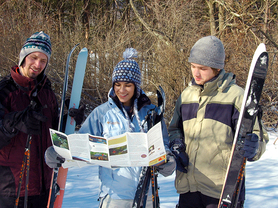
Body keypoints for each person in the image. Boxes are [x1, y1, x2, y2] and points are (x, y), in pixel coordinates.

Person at [45, 48, 176, 208]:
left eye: (127, 85)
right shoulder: (102, 113)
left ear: (136, 86)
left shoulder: (151, 113)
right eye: (117, 85)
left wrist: (168, 161)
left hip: (147, 195)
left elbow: (164, 146)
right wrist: (57, 151)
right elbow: (80, 144)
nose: (122, 90)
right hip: (113, 196)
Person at [168, 36, 269, 208]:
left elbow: (259, 135)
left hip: (221, 192)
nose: (196, 73)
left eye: (202, 68)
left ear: (216, 68)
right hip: (188, 188)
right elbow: (174, 129)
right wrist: (177, 144)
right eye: (193, 66)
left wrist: (254, 147)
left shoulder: (235, 96)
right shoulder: (186, 96)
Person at [0, 31, 83, 208]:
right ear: (23, 57)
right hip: (10, 189)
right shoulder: (4, 91)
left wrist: (70, 121)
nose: (38, 64)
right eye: (34, 58)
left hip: (45, 186)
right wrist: (13, 122)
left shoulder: (47, 93)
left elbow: (53, 132)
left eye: (43, 60)